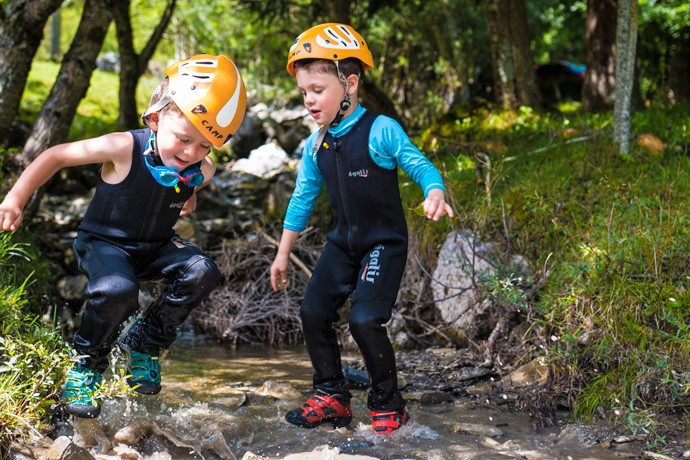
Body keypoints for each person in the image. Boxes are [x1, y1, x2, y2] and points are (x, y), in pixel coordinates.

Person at [0, 54, 246, 418]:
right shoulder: (123, 148)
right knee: (118, 290)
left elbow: (201, 174)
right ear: (156, 116)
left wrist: (190, 192)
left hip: (155, 247)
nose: (191, 153)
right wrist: (15, 198)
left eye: (204, 146)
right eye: (183, 139)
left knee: (203, 270)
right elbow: (55, 155)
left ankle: (145, 343)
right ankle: (85, 364)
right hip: (104, 244)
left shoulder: (199, 166)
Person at [270, 23, 454, 435]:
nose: (309, 100)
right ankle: (331, 395)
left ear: (349, 83)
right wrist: (283, 253)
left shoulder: (380, 129)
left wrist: (435, 191)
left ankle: (389, 403)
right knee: (313, 311)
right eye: (303, 92)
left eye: (317, 89)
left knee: (365, 319)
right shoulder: (314, 145)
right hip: (343, 244)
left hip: (382, 244)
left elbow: (419, 164)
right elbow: (301, 200)